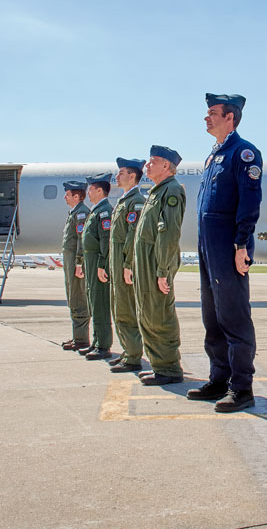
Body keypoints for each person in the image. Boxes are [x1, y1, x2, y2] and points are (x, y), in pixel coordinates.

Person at [187, 93, 262, 413]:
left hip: (228, 246)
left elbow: (249, 202)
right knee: (213, 317)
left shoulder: (243, 153)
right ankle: (219, 378)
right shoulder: (213, 155)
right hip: (208, 247)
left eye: (213, 112)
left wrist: (241, 244)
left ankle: (242, 387)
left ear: (230, 117)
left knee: (234, 317)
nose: (207, 118)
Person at [134, 146, 186, 386]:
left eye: (152, 161)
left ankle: (169, 369)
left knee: (160, 314)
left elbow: (168, 233)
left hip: (157, 261)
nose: (147, 166)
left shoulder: (172, 190)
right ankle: (159, 366)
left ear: (166, 166)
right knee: (148, 313)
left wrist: (162, 270)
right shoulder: (157, 191)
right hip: (147, 261)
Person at [108, 157, 147, 373]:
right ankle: (127, 351)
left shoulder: (136, 201)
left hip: (124, 263)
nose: (117, 176)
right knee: (119, 308)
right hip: (116, 262)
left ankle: (133, 356)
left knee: (127, 310)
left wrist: (128, 264)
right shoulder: (124, 201)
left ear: (132, 176)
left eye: (121, 172)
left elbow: (133, 236)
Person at [79, 172, 114, 360]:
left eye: (91, 189)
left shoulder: (105, 211)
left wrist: (102, 265)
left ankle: (103, 345)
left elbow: (106, 241)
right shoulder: (96, 210)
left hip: (98, 263)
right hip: (91, 261)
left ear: (100, 191)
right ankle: (96, 340)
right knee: (93, 301)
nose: (88, 193)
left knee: (100, 303)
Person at [60, 180, 91, 351]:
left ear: (77, 196)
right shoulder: (74, 213)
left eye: (68, 194)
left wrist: (79, 262)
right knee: (73, 297)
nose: (65, 197)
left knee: (78, 298)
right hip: (70, 263)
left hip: (76, 265)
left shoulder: (81, 214)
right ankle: (78, 336)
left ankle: (81, 339)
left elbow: (81, 240)